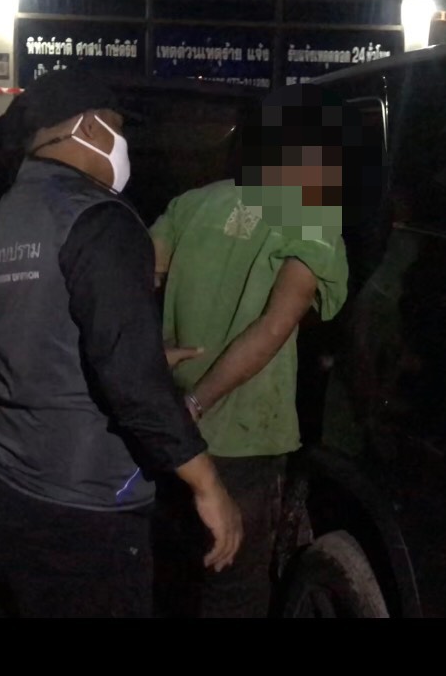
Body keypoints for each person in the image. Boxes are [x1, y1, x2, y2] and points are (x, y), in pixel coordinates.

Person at [0, 67, 243, 618]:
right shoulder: (99, 219)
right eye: (118, 129)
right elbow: (131, 383)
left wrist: (138, 352)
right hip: (88, 501)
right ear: (91, 129)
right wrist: (207, 483)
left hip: (8, 485)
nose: (123, 144)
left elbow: (34, 338)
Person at [150, 82, 351, 618]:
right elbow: (275, 327)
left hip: (168, 431)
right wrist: (200, 401)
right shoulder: (311, 216)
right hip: (240, 437)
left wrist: (157, 376)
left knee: (174, 575)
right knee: (233, 587)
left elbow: (133, 281)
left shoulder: (192, 204)